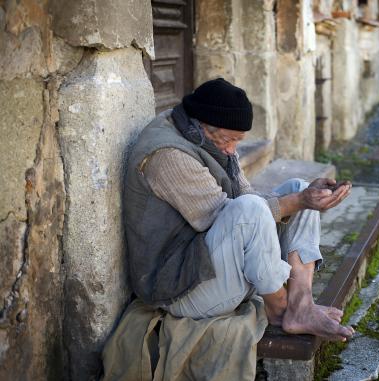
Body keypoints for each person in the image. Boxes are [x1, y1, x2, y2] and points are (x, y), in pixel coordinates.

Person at [123, 78, 355, 342]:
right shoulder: (168, 155)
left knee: (297, 186)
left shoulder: (199, 131)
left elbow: (246, 197)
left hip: (211, 260)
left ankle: (301, 305)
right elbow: (224, 215)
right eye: (229, 140)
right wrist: (298, 201)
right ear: (203, 126)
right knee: (267, 205)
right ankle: (279, 310)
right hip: (181, 289)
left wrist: (303, 197)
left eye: (238, 141)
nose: (233, 150)